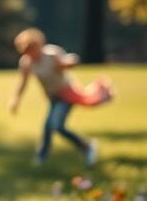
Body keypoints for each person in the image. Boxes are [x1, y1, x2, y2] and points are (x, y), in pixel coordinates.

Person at [8, 28, 112, 166]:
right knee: (47, 127)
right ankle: (42, 157)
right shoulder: (26, 62)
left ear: (38, 45)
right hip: (53, 97)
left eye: (32, 49)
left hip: (66, 94)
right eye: (26, 51)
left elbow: (66, 63)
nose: (30, 53)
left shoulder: (51, 54)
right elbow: (23, 82)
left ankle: (87, 147)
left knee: (57, 126)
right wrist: (16, 99)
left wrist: (70, 62)